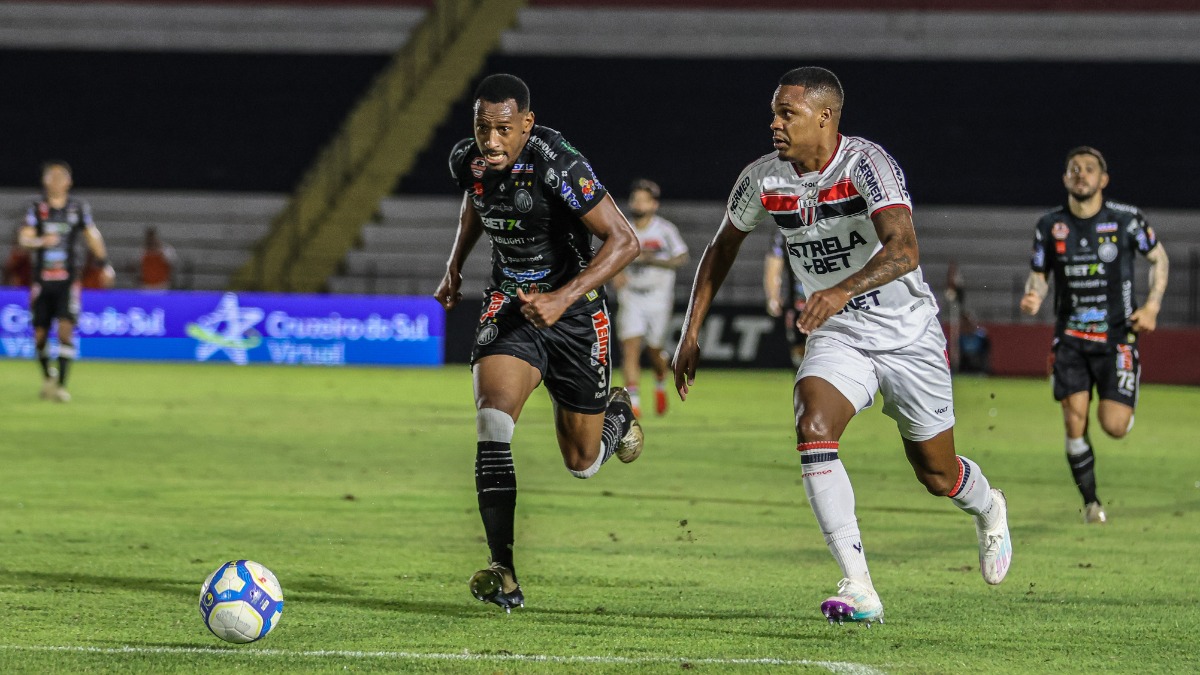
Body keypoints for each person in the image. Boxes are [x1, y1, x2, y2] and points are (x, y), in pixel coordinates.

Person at [672, 67, 1011, 626]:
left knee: (936, 473)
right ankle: (859, 587)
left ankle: (988, 505)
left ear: (825, 116)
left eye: (788, 114)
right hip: (839, 332)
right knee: (813, 427)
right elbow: (721, 246)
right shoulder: (762, 178)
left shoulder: (866, 165)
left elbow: (905, 251)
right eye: (775, 112)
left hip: (908, 335)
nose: (775, 124)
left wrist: (839, 289)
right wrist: (691, 330)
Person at [434, 74, 644, 612]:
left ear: (526, 125)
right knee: (492, 422)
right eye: (483, 128)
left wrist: (563, 297)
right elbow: (474, 201)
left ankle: (614, 419)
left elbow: (625, 240)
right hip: (510, 306)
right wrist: (454, 266)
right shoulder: (470, 161)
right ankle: (503, 570)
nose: (492, 141)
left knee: (581, 462)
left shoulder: (557, 162)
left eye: (504, 129)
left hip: (574, 316)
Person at [1019, 146, 1169, 525]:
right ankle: (1091, 503)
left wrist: (1151, 307)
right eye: (1074, 169)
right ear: (1065, 179)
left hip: (1117, 338)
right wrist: (1034, 292)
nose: (1081, 174)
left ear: (1103, 180)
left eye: (1089, 169)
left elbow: (1159, 258)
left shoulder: (1127, 220)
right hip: (1069, 339)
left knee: (1114, 426)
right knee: (1074, 421)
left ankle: (1126, 392)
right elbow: (1040, 272)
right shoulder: (1049, 225)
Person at [19, 160, 114, 402]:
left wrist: (103, 263)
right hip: (42, 281)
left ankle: (61, 385)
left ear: (69, 182)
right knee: (39, 335)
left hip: (68, 281)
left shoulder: (78, 208)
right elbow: (25, 238)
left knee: (64, 329)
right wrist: (40, 242)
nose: (57, 182)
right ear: (45, 181)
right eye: (52, 177)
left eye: (62, 177)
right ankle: (48, 376)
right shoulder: (37, 208)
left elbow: (92, 235)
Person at [612, 179, 688, 417]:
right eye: (635, 199)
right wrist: (616, 273)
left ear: (654, 204)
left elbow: (681, 257)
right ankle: (634, 403)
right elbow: (610, 256)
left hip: (658, 297)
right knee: (630, 347)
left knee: (655, 351)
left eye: (644, 199)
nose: (638, 203)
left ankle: (660, 380)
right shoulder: (623, 228)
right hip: (631, 295)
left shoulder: (664, 230)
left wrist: (651, 259)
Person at [764, 229, 807, 367]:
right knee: (800, 352)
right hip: (799, 305)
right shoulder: (783, 232)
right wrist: (773, 297)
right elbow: (773, 266)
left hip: (823, 302)